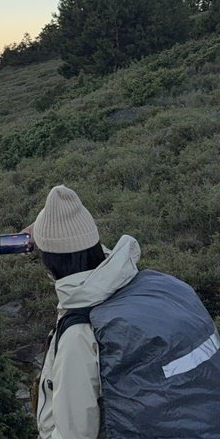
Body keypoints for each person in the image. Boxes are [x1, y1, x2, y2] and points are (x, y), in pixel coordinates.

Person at [30, 185, 220, 439]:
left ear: (49, 261)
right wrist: (51, 233)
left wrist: (48, 238)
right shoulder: (162, 285)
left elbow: (74, 433)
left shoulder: (81, 332)